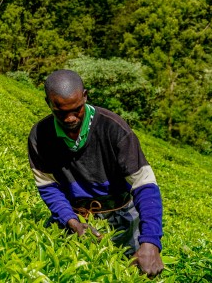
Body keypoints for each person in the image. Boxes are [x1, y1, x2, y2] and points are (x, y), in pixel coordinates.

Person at [28, 69, 163, 277]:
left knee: (135, 271)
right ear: (48, 103)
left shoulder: (113, 128)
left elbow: (144, 185)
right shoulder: (40, 136)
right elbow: (48, 187)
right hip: (76, 216)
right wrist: (72, 222)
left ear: (85, 96)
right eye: (61, 112)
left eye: (76, 109)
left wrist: (150, 241)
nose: (70, 118)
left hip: (121, 216)